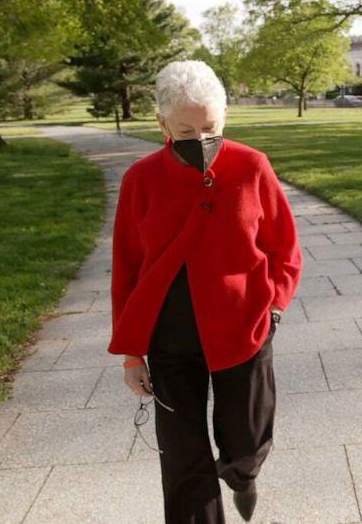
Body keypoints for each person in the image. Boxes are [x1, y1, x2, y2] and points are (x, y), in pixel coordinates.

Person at [109, 60, 303, 523]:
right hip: (170, 336)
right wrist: (133, 354)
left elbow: (285, 250)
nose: (201, 139)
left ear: (225, 118)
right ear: (162, 124)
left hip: (244, 326)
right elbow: (126, 268)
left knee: (247, 438)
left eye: (210, 127)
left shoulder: (252, 166)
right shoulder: (141, 179)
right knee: (182, 457)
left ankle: (241, 472)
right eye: (186, 130)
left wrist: (274, 306)